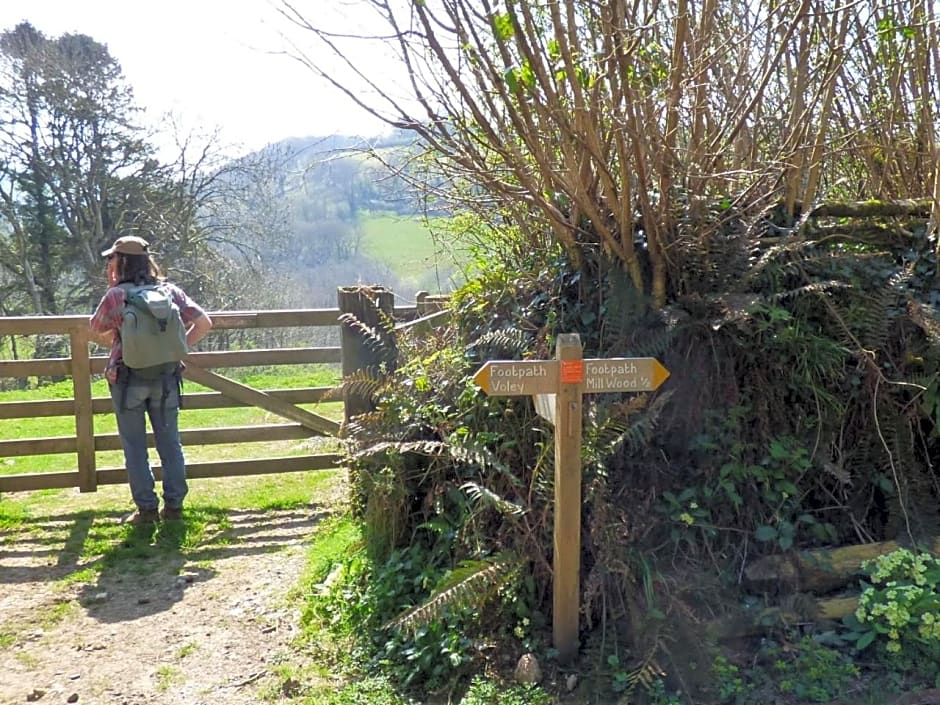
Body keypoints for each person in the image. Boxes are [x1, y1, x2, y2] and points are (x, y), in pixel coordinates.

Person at [89, 235, 213, 525]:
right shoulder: (170, 291)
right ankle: (174, 508)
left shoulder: (117, 296)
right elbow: (204, 322)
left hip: (126, 378)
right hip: (167, 377)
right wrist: (177, 347)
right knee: (170, 444)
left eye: (113, 259)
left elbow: (96, 327)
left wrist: (113, 291)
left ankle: (146, 511)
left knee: (134, 447)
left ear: (120, 262)